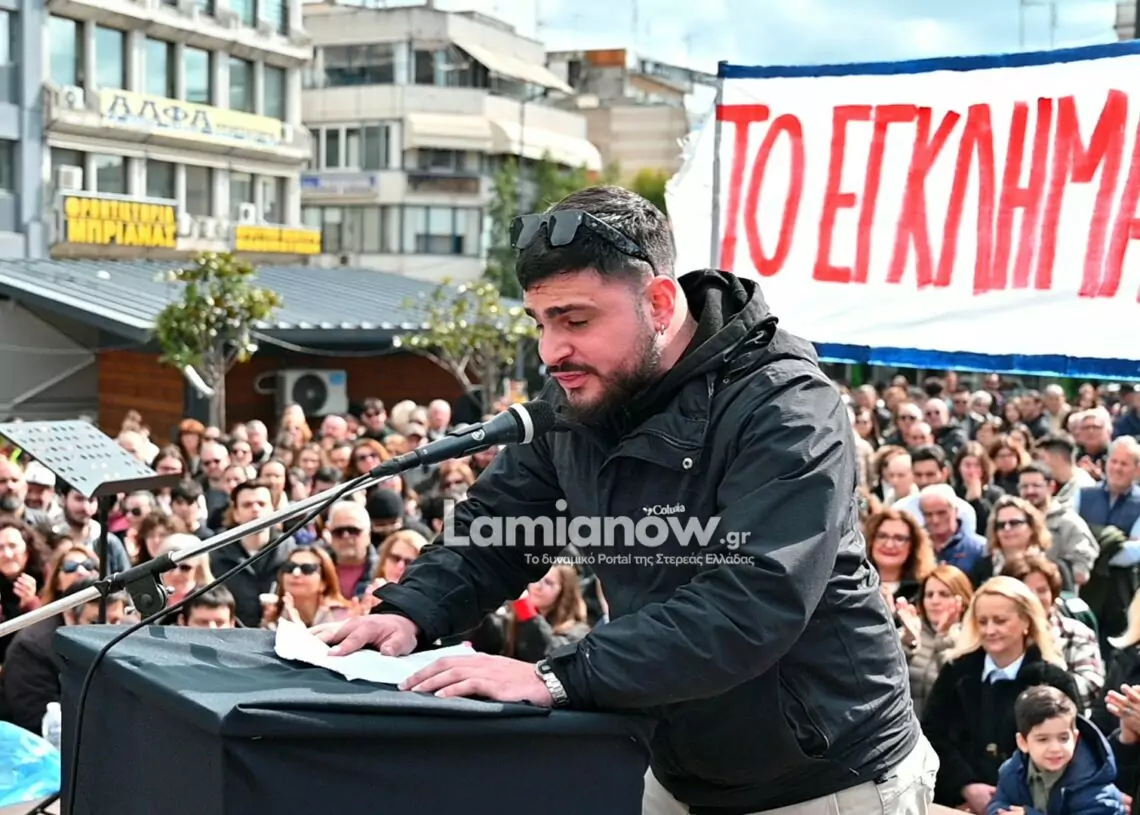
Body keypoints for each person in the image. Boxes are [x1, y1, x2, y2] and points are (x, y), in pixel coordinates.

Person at [315, 185, 939, 814]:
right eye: (541, 322)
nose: (551, 350)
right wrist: (411, 612)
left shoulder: (787, 405)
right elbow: (499, 528)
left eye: (576, 320)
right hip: (673, 762)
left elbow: (752, 603)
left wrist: (559, 676)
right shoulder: (580, 395)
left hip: (826, 779)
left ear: (659, 303)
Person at [986, 685, 1126, 815]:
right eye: (1043, 739)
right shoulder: (1012, 772)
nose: (1055, 748)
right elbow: (999, 803)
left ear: (1075, 737)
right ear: (1023, 743)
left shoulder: (1093, 786)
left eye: (1063, 738)